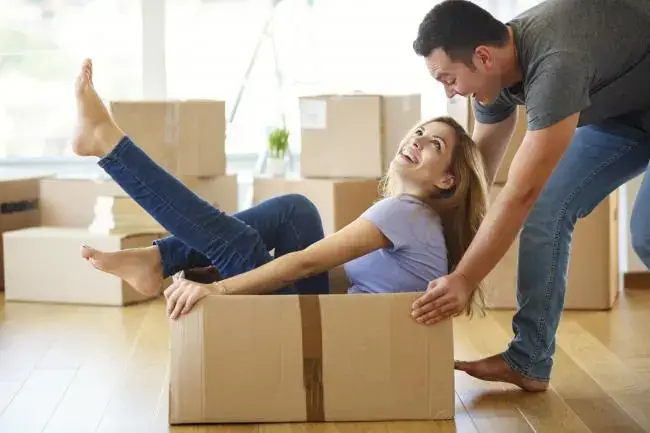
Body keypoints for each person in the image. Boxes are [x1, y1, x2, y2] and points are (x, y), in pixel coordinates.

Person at [72, 59, 490, 321]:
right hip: (331, 316)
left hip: (321, 333)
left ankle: (109, 145)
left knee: (237, 242)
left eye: (433, 144)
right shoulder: (416, 216)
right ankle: (157, 258)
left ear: (447, 180)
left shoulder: (405, 213)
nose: (415, 140)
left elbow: (305, 264)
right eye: (418, 131)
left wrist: (217, 287)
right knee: (296, 210)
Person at [409, 0, 650, 392]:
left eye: (449, 80)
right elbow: (479, 173)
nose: (452, 92)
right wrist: (433, 241)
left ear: (482, 57)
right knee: (546, 210)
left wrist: (466, 278)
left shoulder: (556, 63)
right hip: (625, 114)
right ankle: (529, 360)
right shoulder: (496, 72)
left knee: (646, 234)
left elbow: (519, 192)